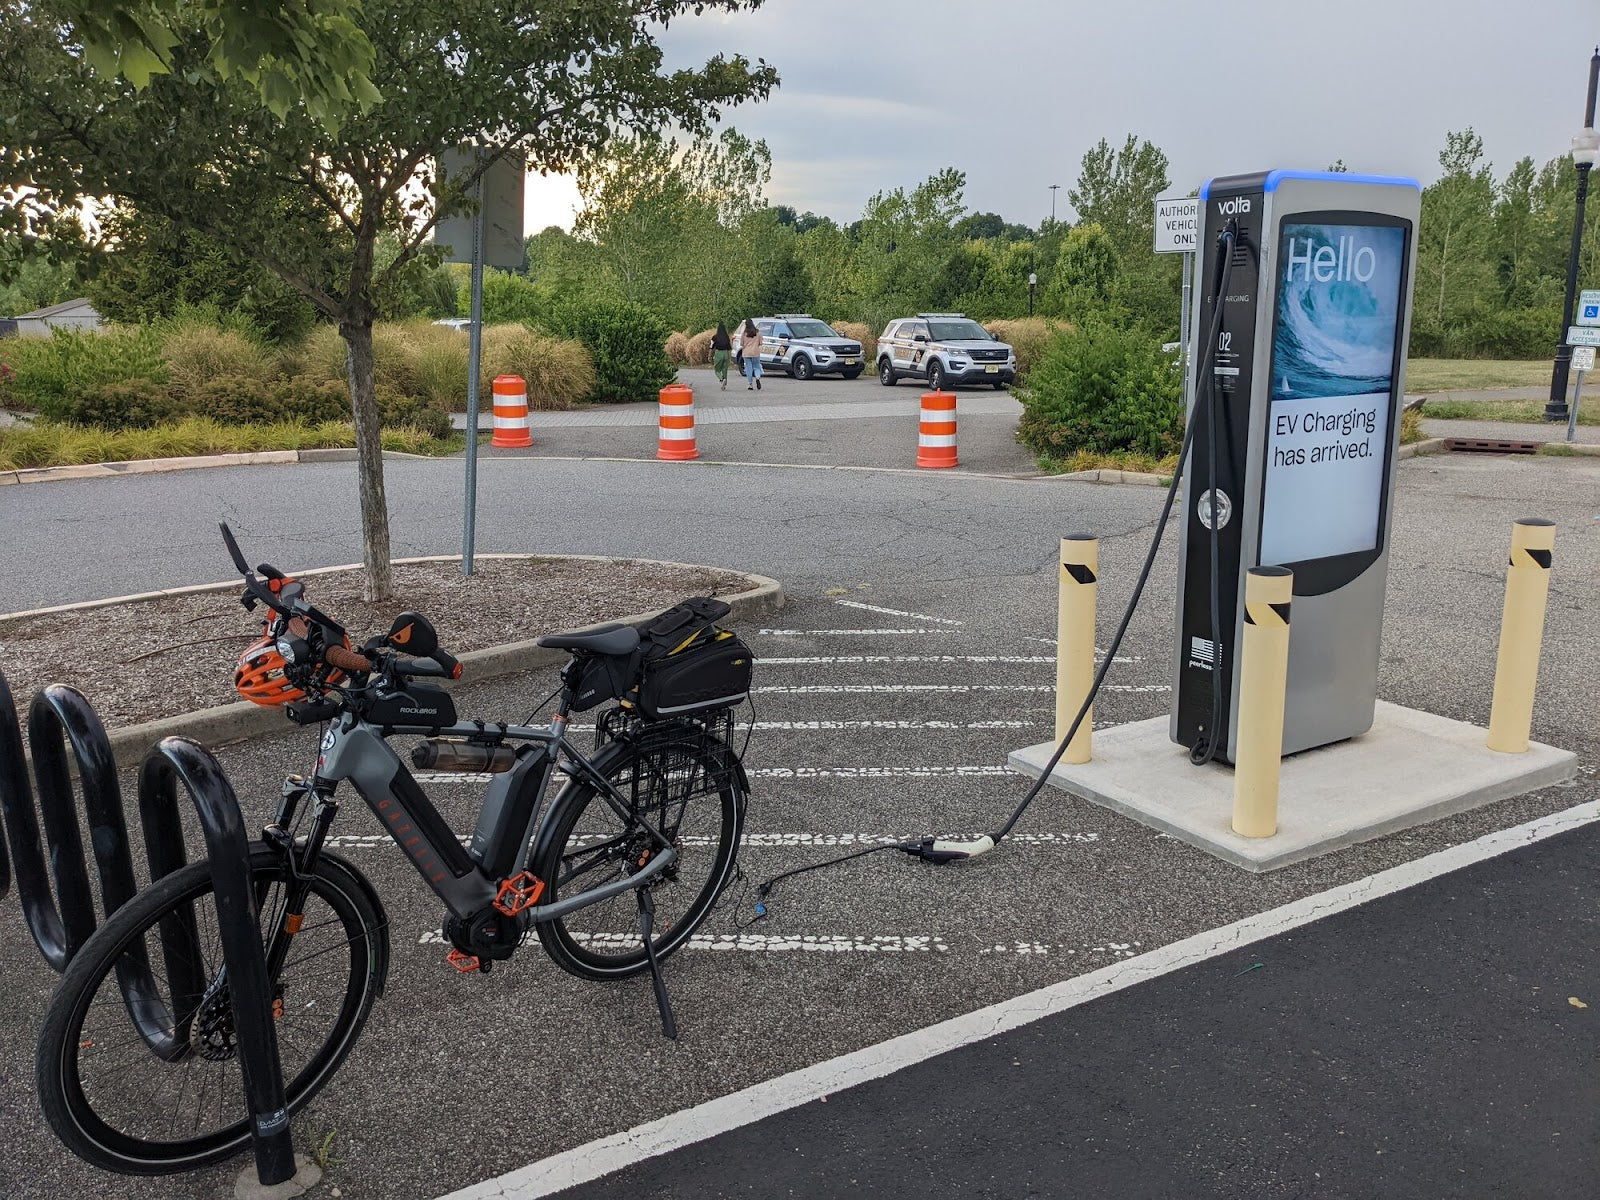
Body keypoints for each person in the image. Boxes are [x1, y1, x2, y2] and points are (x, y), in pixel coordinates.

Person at [741, 319, 764, 390]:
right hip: (755, 352)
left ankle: (750, 384)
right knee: (756, 367)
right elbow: (761, 343)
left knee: (749, 369)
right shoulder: (758, 332)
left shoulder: (744, 333)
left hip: (746, 353)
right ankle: (757, 377)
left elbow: (741, 343)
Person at [711, 322, 733, 391]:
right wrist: (729, 357)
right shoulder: (726, 337)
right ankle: (725, 380)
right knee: (724, 369)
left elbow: (711, 347)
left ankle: (721, 379)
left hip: (718, 353)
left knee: (717, 369)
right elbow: (730, 347)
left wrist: (709, 355)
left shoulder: (714, 337)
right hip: (726, 353)